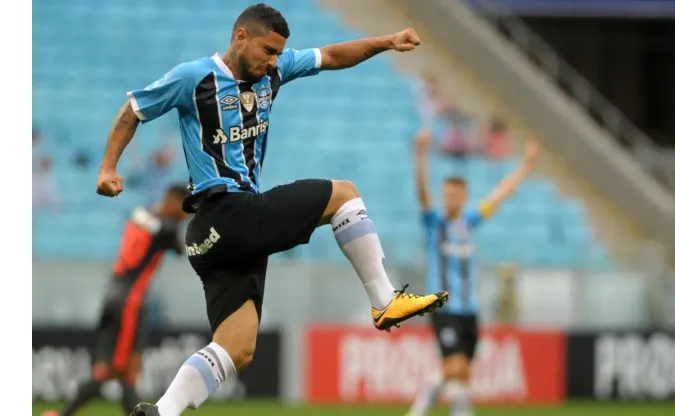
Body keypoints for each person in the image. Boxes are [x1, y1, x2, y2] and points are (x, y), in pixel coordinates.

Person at [93, 4, 450, 416]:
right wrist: (107, 168)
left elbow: (332, 56)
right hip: (224, 212)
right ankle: (384, 299)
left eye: (280, 53)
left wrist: (386, 42)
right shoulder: (194, 77)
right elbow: (133, 110)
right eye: (268, 51)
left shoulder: (272, 73)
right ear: (240, 37)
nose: (274, 62)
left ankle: (161, 411)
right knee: (344, 194)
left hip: (215, 239)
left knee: (237, 347)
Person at [406, 129, 540, 416]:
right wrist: (420, 154)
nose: (448, 199)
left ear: (463, 196)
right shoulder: (435, 223)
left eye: (454, 194)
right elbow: (421, 192)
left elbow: (500, 193)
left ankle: (459, 409)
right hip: (443, 307)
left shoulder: (471, 219)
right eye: (446, 194)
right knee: (453, 366)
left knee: (464, 369)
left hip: (470, 308)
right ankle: (427, 393)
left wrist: (526, 165)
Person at [42, 184, 190, 416]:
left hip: (114, 295)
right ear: (173, 200)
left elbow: (142, 218)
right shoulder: (168, 228)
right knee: (117, 370)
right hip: (129, 302)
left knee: (122, 371)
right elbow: (179, 249)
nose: (187, 214)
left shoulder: (141, 214)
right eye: (185, 207)